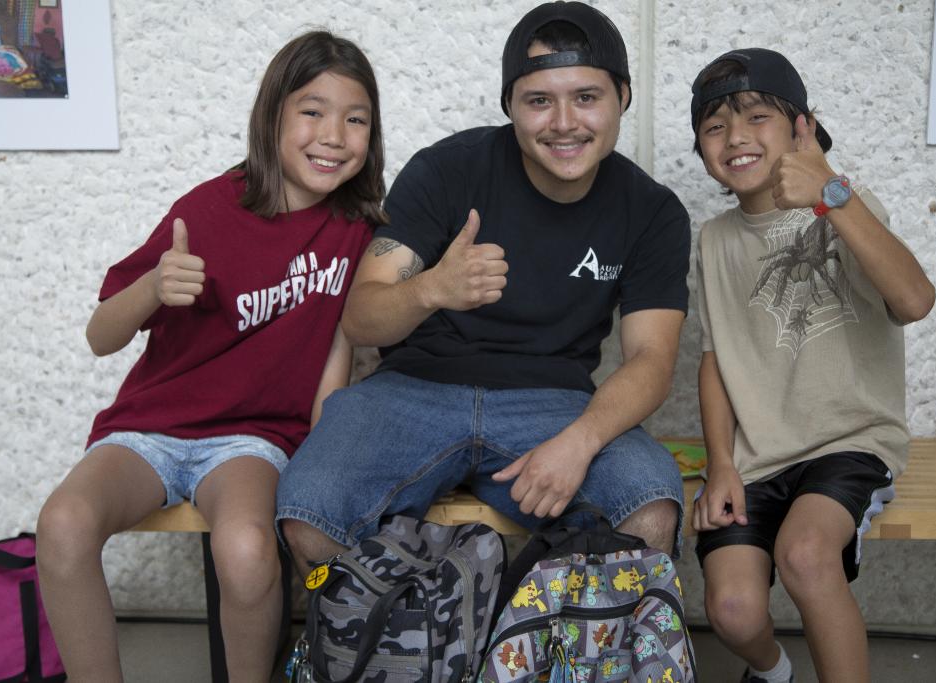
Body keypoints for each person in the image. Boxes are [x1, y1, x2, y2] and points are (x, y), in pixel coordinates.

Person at [277, 1, 691, 576]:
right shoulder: (448, 169)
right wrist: (431, 289)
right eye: (539, 100)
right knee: (308, 508)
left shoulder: (651, 212)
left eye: (587, 97)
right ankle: (395, 653)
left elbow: (653, 359)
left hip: (555, 403)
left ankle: (568, 655)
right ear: (511, 107)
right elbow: (362, 318)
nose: (564, 122)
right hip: (412, 390)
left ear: (623, 96)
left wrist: (581, 441)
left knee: (649, 505)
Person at [35, 31, 384, 682]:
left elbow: (340, 354)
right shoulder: (209, 208)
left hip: (252, 442)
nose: (334, 133)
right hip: (149, 430)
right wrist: (152, 287)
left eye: (355, 117)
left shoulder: (359, 230)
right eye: (312, 110)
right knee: (62, 522)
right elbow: (99, 335)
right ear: (272, 115)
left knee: (249, 548)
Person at [689, 48, 935, 683]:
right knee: (734, 611)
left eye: (756, 116)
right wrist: (720, 465)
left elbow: (913, 300)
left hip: (848, 442)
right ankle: (773, 673)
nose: (736, 137)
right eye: (714, 125)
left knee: (804, 555)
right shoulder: (713, 240)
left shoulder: (844, 204)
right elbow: (715, 361)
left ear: (802, 125)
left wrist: (831, 193)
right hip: (755, 458)